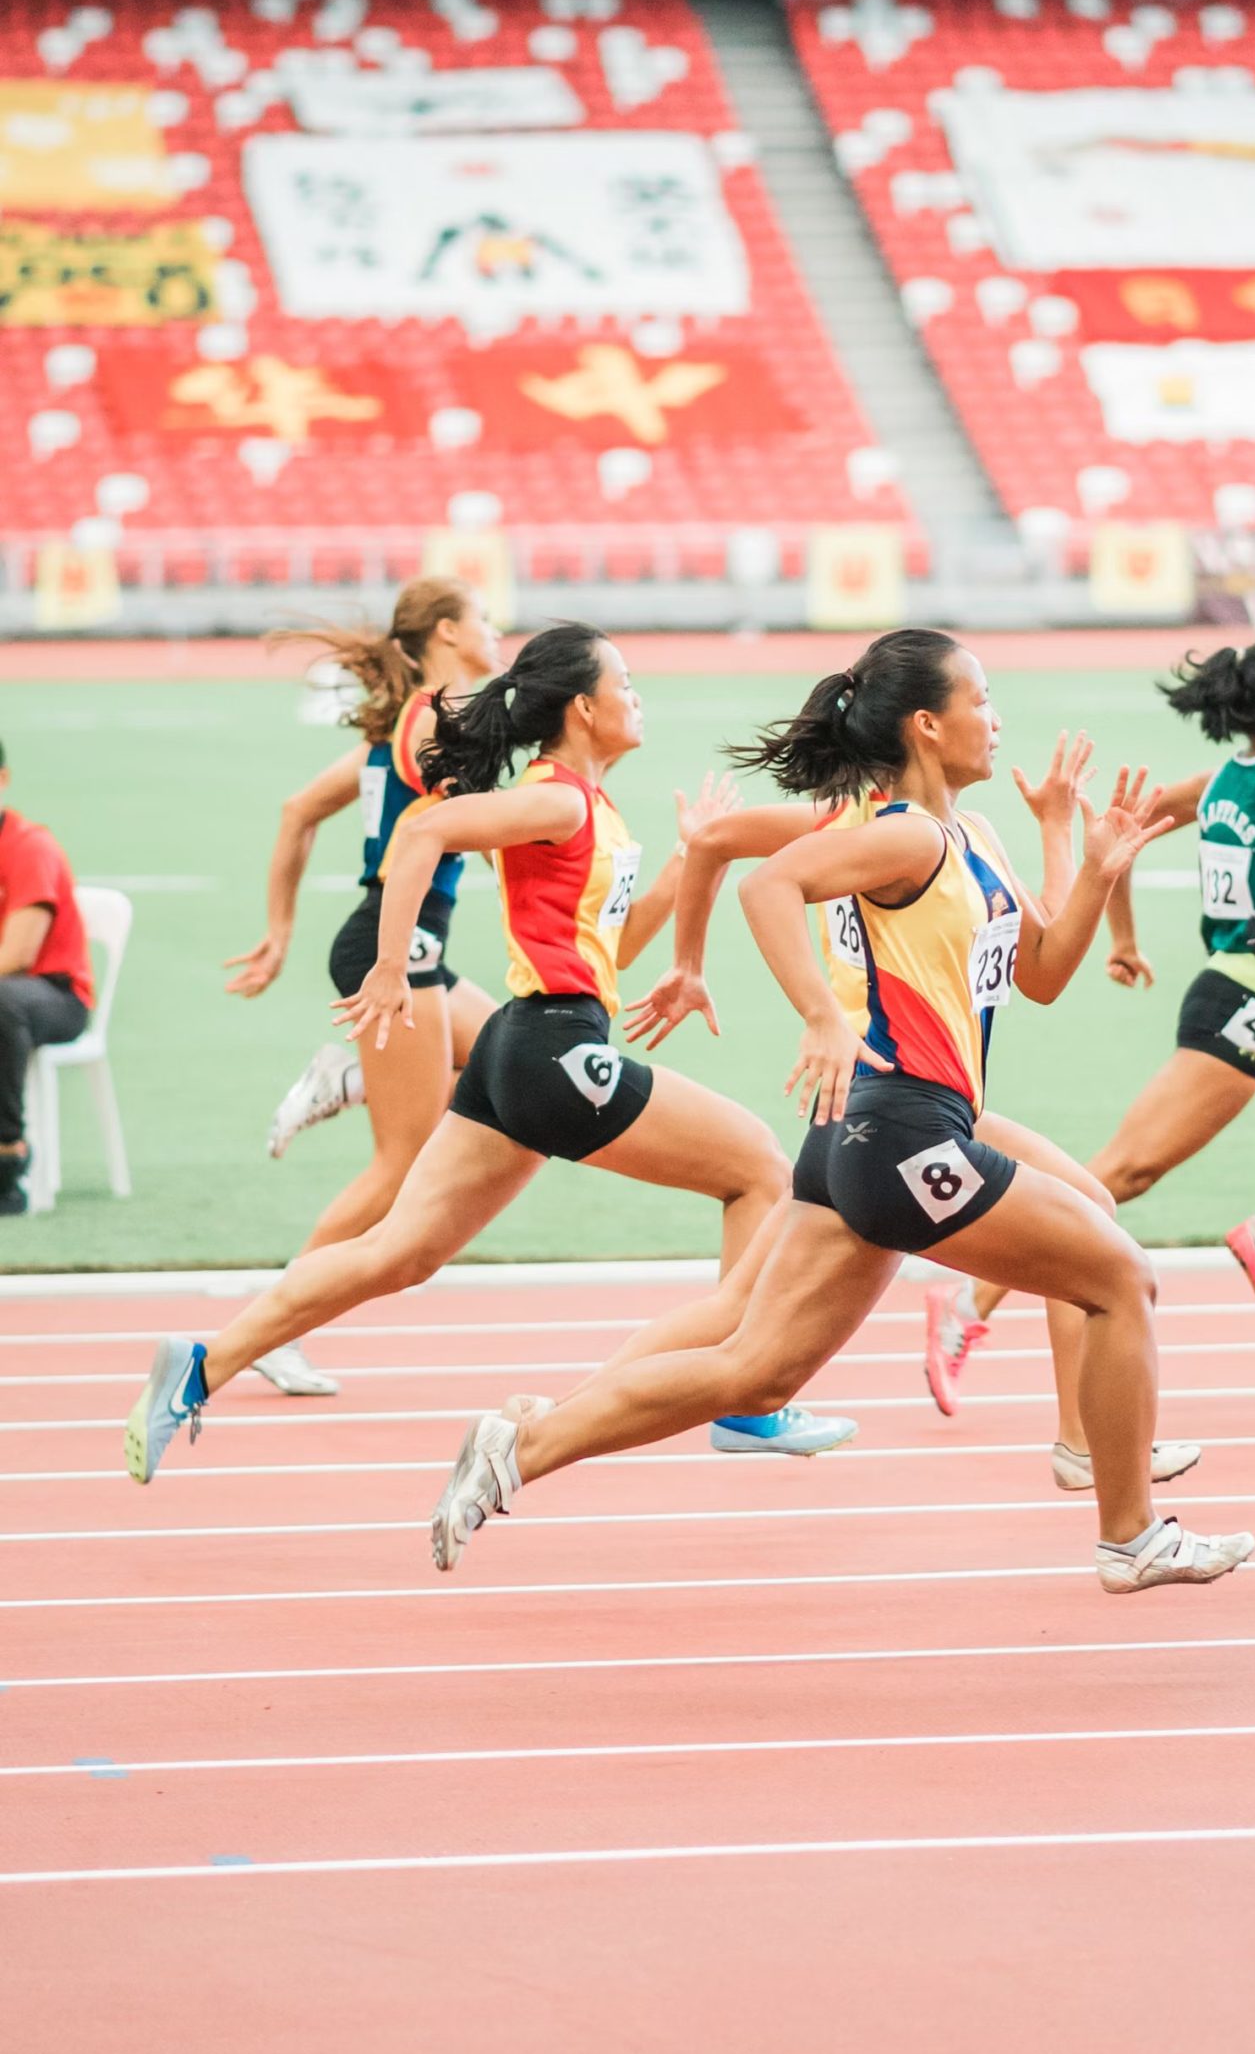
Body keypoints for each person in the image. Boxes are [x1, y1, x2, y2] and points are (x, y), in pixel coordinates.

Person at [422, 626, 1254, 1594]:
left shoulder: (971, 837)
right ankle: (1130, 1532)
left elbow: (1044, 973)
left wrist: (1084, 853)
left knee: (755, 1372)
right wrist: (819, 1014)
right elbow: (770, 884)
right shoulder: (900, 832)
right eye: (981, 700)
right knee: (1116, 1276)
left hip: (884, 1132)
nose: (998, 717)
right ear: (929, 725)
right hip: (899, 1125)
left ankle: (520, 1445)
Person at [124, 624, 851, 1481]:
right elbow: (422, 836)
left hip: (525, 1040)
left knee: (401, 1252)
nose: (638, 693)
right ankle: (746, 1402)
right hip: (551, 1050)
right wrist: (392, 967)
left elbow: (606, 955)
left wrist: (684, 872)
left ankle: (200, 1366)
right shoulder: (558, 799)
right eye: (627, 680)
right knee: (759, 1171)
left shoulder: (590, 808)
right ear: (585, 707)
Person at [624, 733, 1199, 1490]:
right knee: (750, 1342)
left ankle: (1085, 1445)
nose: (992, 723)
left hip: (930, 1089)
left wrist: (1057, 831)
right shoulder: (857, 831)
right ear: (913, 730)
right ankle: (557, 1420)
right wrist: (693, 967)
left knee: (1088, 1209)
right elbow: (717, 845)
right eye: (979, 704)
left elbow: (1038, 950)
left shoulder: (951, 833)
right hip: (880, 1085)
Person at [927, 640, 1255, 1374]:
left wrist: (1124, 939)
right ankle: (967, 1307)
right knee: (1115, 1178)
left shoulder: (1217, 781)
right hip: (1244, 1005)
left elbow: (1121, 828)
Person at [221, 578, 503, 1394]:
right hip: (394, 954)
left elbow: (297, 808)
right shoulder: (434, 730)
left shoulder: (401, 726)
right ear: (449, 631)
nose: (495, 629)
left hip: (405, 950)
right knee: (401, 1162)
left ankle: (349, 1075)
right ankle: (278, 1321)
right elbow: (483, 833)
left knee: (506, 1064)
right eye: (483, 618)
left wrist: (280, 931)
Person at [0, 739, 95, 1215]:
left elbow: (16, 955)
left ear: (3, 780)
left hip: (55, 994)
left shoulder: (27, 846)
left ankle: (7, 1155)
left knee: (1, 1001)